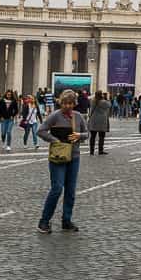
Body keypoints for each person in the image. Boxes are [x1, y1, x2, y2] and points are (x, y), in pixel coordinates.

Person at [36, 91, 87, 233]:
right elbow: (41, 131)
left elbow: (87, 133)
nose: (67, 106)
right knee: (57, 188)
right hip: (58, 156)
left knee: (70, 191)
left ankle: (66, 220)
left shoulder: (78, 117)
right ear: (61, 103)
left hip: (74, 156)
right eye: (65, 103)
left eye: (70, 103)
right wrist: (55, 140)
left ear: (74, 104)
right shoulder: (54, 116)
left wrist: (79, 135)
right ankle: (44, 221)